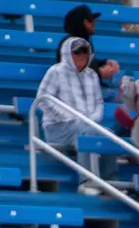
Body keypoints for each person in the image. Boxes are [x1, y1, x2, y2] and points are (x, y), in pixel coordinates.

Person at [35, 37, 106, 195]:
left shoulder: (92, 75)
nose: (81, 55)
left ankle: (109, 182)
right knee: (86, 131)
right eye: (77, 52)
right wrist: (71, 117)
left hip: (85, 125)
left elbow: (99, 103)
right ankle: (85, 181)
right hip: (57, 126)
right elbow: (43, 100)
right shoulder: (55, 71)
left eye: (85, 51)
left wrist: (92, 120)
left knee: (109, 135)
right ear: (68, 53)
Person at [62, 4, 119, 81]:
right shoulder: (71, 45)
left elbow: (89, 64)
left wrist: (105, 62)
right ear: (85, 23)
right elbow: (76, 74)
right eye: (90, 20)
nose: (94, 23)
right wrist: (100, 73)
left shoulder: (83, 42)